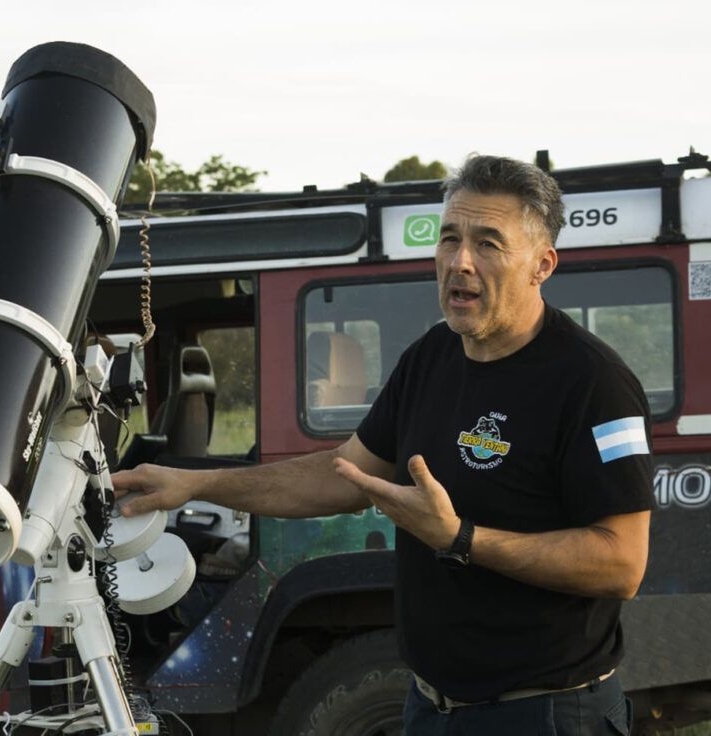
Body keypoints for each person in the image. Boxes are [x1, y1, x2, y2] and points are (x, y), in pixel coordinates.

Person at [112, 155, 652, 735]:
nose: (459, 262)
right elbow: (340, 474)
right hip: (427, 706)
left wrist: (459, 539)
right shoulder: (431, 357)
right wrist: (192, 483)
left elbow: (621, 562)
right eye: (449, 239)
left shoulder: (592, 381)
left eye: (488, 244)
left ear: (541, 265)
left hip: (545, 713)